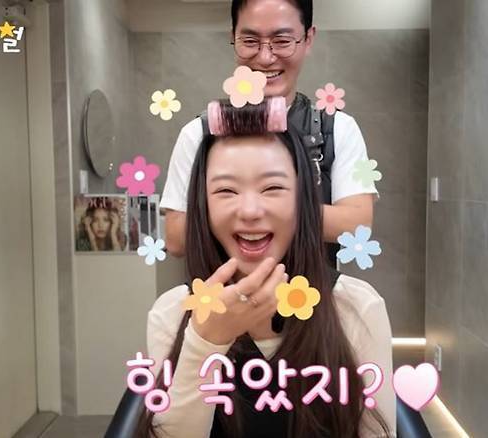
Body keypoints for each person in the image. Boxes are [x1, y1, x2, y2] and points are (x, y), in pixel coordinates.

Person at [140, 99, 395, 437]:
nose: (250, 211)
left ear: (304, 200)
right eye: (226, 190)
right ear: (202, 206)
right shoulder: (172, 313)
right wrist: (205, 341)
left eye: (273, 188)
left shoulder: (356, 308)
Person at [160, 0, 379, 258]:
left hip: (311, 284)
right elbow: (175, 237)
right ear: (233, 37)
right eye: (250, 41)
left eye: (282, 41)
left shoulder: (338, 128)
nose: (265, 57)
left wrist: (243, 209)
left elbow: (357, 225)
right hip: (227, 285)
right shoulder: (198, 133)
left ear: (308, 39)